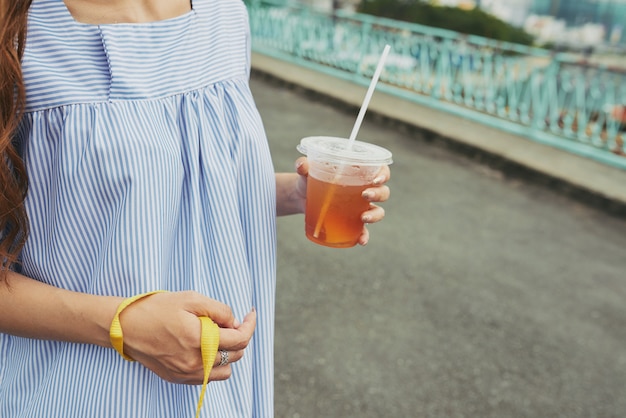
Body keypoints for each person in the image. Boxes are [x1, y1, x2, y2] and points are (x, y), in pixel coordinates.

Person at [0, 0, 391, 417]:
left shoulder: (224, 14)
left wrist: (296, 193)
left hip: (225, 387)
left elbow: (188, 185)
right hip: (79, 394)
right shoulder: (21, 32)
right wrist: (123, 324)